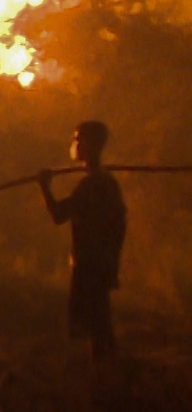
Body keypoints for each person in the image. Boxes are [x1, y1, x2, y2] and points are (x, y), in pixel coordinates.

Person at [40, 121, 127, 363]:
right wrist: (112, 262)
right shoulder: (107, 183)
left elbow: (58, 214)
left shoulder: (93, 185)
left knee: (97, 324)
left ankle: (106, 377)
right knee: (100, 321)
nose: (76, 144)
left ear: (90, 144)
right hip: (101, 262)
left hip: (89, 264)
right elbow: (120, 225)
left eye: (79, 139)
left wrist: (44, 186)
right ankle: (108, 374)